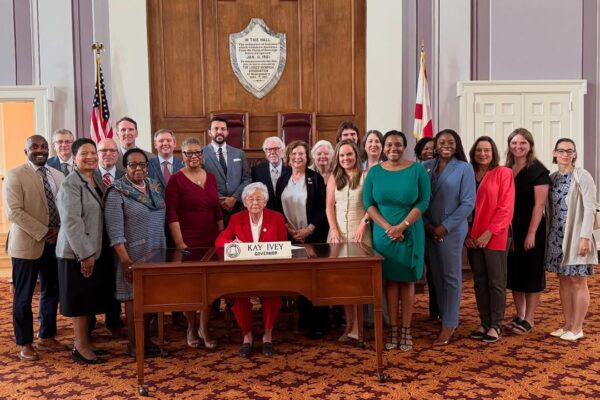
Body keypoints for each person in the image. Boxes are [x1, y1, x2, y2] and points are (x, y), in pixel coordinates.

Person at [364, 130, 431, 351]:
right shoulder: (374, 172)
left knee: (408, 281)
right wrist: (388, 228)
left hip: (410, 231)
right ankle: (392, 330)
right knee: (391, 281)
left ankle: (406, 330)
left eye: (398, 145)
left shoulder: (417, 170)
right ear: (383, 147)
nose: (393, 148)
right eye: (389, 145)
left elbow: (423, 201)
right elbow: (369, 204)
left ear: (405, 146)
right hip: (383, 234)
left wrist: (402, 226)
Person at [3, 135, 66, 362]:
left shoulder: (57, 175)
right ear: (25, 150)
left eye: (43, 147)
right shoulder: (14, 175)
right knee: (23, 297)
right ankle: (25, 342)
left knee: (52, 291)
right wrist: (44, 231)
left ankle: (47, 335)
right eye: (34, 147)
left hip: (54, 244)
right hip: (27, 246)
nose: (40, 150)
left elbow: (63, 207)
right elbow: (14, 212)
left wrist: (58, 230)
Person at [104, 148, 167, 357]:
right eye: (133, 165)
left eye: (142, 164)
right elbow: (115, 233)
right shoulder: (117, 192)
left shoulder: (154, 187)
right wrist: (126, 261)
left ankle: (146, 340)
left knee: (149, 299)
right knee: (132, 299)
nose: (138, 168)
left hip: (156, 253)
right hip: (132, 256)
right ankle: (134, 344)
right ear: (125, 167)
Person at [215, 182, 287, 357]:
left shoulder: (276, 218)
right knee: (240, 299)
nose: (254, 202)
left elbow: (283, 245)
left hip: (269, 272)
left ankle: (267, 336)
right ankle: (247, 337)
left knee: (273, 298)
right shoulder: (236, 219)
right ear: (245, 202)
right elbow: (219, 242)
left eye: (259, 199)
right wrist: (232, 244)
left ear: (265, 202)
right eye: (250, 199)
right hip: (243, 272)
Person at [55, 138, 109, 364]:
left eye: (93, 153)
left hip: (93, 250)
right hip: (76, 253)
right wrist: (85, 255)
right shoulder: (71, 184)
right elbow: (72, 222)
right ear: (74, 158)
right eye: (84, 154)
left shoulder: (94, 178)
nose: (90, 157)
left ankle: (86, 341)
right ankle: (79, 346)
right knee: (79, 301)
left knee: (88, 299)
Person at [167, 137, 223, 349]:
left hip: (210, 239)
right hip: (188, 240)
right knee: (189, 288)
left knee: (208, 287)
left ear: (203, 154)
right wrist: (180, 242)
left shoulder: (210, 176)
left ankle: (204, 327)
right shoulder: (176, 180)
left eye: (197, 152)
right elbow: (171, 214)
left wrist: (221, 236)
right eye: (189, 153)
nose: (193, 157)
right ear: (182, 156)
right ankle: (191, 327)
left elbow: (217, 209)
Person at [423, 129, 476, 346]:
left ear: (457, 145)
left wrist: (445, 227)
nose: (446, 144)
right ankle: (445, 315)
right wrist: (428, 226)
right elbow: (418, 199)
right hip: (428, 229)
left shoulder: (464, 168)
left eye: (451, 141)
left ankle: (450, 324)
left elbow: (468, 203)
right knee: (436, 277)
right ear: (435, 146)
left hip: (451, 231)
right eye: (442, 141)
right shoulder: (425, 167)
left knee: (451, 277)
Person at [275, 140, 329, 338]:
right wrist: (288, 229)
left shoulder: (314, 178)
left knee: (315, 279)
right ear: (288, 157)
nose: (298, 158)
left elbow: (322, 208)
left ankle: (319, 323)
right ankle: (302, 320)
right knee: (298, 280)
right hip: (290, 236)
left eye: (302, 154)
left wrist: (308, 230)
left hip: (312, 235)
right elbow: (276, 207)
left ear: (308, 158)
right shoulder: (283, 178)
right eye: (294, 154)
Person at [545, 138, 597, 341]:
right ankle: (567, 324)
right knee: (564, 281)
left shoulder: (582, 176)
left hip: (576, 236)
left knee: (578, 281)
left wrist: (585, 238)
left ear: (574, 154)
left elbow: (590, 207)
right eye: (561, 150)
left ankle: (577, 328)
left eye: (570, 151)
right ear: (554, 153)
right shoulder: (553, 177)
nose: (565, 154)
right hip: (557, 236)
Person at [465, 137, 515, 343]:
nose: (483, 154)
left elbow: (506, 207)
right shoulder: (468, 173)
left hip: (496, 235)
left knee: (496, 281)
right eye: (479, 150)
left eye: (487, 150)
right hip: (471, 236)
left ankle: (495, 325)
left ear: (493, 152)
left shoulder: (504, 173)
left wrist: (489, 232)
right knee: (479, 281)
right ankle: (484, 322)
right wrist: (467, 233)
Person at [505, 128, 551, 335]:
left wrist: (531, 233)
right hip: (511, 228)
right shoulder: (506, 168)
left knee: (531, 273)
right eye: (514, 143)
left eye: (523, 143)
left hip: (531, 228)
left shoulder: (538, 170)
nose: (518, 147)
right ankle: (520, 314)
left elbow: (539, 206)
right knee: (515, 272)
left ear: (530, 145)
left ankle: (530, 319)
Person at [326, 140, 372, 342]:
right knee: (344, 285)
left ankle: (359, 327)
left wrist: (364, 223)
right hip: (338, 236)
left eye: (349, 154)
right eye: (342, 155)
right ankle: (349, 325)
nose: (345, 158)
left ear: (357, 155)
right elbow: (329, 207)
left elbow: (372, 204)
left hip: (360, 234)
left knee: (358, 284)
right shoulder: (334, 178)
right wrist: (334, 229)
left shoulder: (366, 176)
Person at [91, 137, 125, 335]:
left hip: (119, 236)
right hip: (95, 236)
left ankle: (114, 321)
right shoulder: (89, 175)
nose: (108, 154)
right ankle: (92, 321)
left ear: (117, 153)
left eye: (112, 151)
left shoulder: (124, 175)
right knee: (94, 278)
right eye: (103, 151)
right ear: (97, 153)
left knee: (115, 276)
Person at [202, 116, 251, 222]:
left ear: (227, 132)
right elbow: (199, 181)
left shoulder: (239, 153)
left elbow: (247, 179)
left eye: (223, 129)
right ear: (209, 132)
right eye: (216, 128)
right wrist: (220, 199)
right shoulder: (201, 154)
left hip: (237, 207)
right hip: (212, 208)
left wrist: (234, 198)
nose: (219, 132)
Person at [414, 135, 438, 321]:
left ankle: (437, 309)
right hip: (417, 224)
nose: (429, 151)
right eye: (426, 148)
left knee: (436, 271)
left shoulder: (442, 169)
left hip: (437, 227)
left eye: (433, 147)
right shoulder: (414, 170)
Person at [251, 136, 290, 210]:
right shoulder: (256, 171)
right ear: (265, 152)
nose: (272, 152)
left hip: (288, 212)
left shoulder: (291, 170)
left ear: (282, 151)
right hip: (266, 212)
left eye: (276, 149)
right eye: (269, 149)